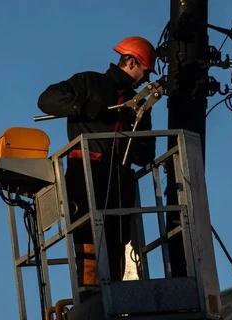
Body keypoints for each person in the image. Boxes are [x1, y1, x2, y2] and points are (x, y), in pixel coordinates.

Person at [36, 36, 158, 302]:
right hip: (86, 173)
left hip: (118, 179)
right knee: (87, 235)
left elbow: (147, 153)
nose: (145, 78)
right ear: (131, 62)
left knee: (115, 240)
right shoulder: (89, 83)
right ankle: (89, 297)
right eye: (145, 71)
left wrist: (132, 135)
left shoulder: (139, 106)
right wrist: (84, 107)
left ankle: (110, 294)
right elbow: (47, 100)